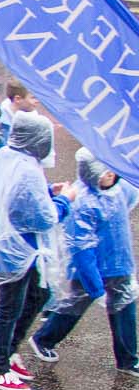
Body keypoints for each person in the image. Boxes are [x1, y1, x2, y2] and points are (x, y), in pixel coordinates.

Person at [30, 148, 139, 371]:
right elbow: (81, 250)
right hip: (92, 269)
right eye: (103, 170)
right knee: (73, 307)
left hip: (119, 263)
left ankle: (128, 359)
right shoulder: (82, 201)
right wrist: (96, 287)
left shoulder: (119, 190)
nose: (110, 174)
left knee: (125, 307)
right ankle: (44, 339)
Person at [0, 112, 63, 390]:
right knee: (10, 307)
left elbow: (16, 197)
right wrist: (64, 201)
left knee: (37, 295)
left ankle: (6, 351)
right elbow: (42, 218)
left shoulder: (7, 156)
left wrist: (49, 191)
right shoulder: (26, 169)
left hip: (12, 247)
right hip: (18, 250)